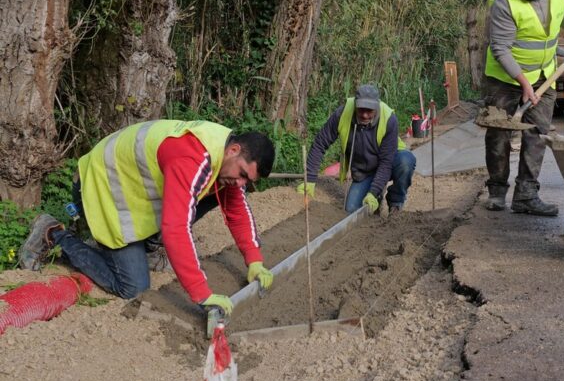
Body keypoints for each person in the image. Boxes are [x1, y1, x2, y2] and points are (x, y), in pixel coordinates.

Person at [20, 120, 276, 316]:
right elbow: (176, 227)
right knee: (133, 287)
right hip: (102, 187)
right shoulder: (192, 157)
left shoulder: (221, 152)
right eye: (242, 174)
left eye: (247, 181)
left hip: (136, 190)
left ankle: (149, 246)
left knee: (219, 191)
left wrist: (254, 260)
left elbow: (236, 209)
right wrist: (202, 293)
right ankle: (55, 234)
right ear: (234, 150)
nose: (240, 183)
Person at [485, 0, 564, 216]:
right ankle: (497, 192)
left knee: (538, 134)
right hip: (505, 79)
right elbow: (501, 49)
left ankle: (526, 196)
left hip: (543, 74)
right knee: (499, 134)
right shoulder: (504, 3)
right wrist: (523, 84)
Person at [298, 84, 416, 214]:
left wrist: (373, 191)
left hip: (391, 161)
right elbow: (319, 144)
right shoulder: (342, 114)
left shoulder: (389, 119)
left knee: (406, 161)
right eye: (361, 109)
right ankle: (376, 196)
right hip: (366, 170)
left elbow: (386, 162)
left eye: (369, 110)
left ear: (377, 106)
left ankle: (395, 204)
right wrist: (309, 179)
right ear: (355, 105)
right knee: (352, 210)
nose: (365, 115)